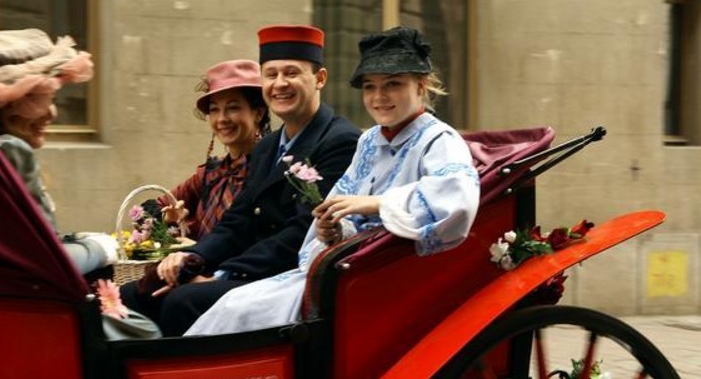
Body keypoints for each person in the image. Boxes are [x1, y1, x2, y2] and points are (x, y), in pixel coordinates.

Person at [184, 26, 481, 337]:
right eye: (369, 87)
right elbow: (342, 205)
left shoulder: (439, 139)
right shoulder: (369, 141)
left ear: (420, 85)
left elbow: (454, 201)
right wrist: (333, 228)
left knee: (238, 309)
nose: (379, 97)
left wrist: (376, 204)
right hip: (353, 268)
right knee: (232, 305)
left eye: (392, 84)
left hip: (392, 275)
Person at [120, 24, 362, 336]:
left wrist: (224, 274)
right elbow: (236, 222)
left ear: (320, 78)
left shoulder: (339, 141)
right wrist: (192, 257)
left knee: (182, 302)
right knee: (133, 295)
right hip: (248, 268)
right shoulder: (267, 147)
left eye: (291, 73)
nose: (280, 83)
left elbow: (300, 234)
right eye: (271, 74)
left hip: (287, 277)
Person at [0, 28, 119, 275]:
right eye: (46, 98)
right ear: (11, 104)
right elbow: (47, 261)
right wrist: (100, 248)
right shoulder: (9, 151)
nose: (52, 113)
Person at [148, 59, 271, 243]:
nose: (221, 119)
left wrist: (199, 250)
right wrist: (168, 217)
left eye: (233, 108)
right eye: (214, 109)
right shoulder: (210, 174)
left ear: (258, 113)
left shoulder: (270, 171)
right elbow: (146, 211)